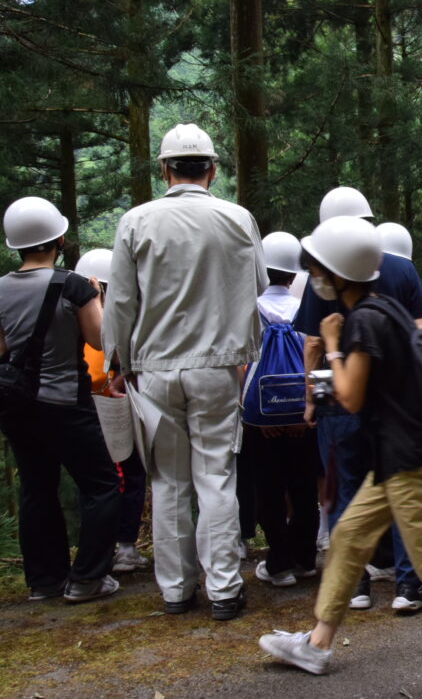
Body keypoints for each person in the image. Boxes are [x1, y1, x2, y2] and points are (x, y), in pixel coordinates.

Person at [258, 216, 422, 692]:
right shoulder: (386, 308)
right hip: (400, 457)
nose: (315, 279)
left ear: (338, 275)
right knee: (350, 538)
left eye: (320, 270)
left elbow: (351, 397)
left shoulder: (363, 323)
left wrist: (333, 345)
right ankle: (317, 644)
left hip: (408, 464)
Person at [103, 124, 266, 619]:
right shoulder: (237, 218)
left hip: (153, 368)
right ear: (212, 170)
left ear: (164, 169)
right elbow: (258, 283)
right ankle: (223, 589)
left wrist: (117, 363)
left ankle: (176, 590)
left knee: (168, 482)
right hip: (218, 366)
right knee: (215, 476)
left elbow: (122, 302)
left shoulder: (136, 221)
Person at [298, 186, 422, 612]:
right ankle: (408, 587)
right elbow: (421, 332)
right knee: (396, 490)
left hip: (341, 401)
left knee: (345, 491)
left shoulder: (324, 275)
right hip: (394, 403)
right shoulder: (400, 269)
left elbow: (315, 344)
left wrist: (312, 400)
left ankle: (355, 584)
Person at [0, 197, 121, 603]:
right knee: (101, 484)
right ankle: (87, 577)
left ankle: (44, 581)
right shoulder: (72, 285)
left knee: (36, 487)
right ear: (61, 239)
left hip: (17, 407)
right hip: (66, 401)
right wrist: (98, 300)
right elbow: (97, 340)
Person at [248, 232, 321, 591]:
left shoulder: (250, 310)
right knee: (305, 485)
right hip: (304, 418)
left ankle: (279, 564)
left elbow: (240, 366)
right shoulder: (306, 310)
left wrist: (254, 415)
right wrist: (306, 409)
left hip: (262, 419)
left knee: (269, 487)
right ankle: (305, 558)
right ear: (294, 275)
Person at [75, 248, 150, 575]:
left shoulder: (74, 315)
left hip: (82, 409)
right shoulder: (120, 319)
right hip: (116, 408)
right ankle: (124, 548)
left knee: (94, 484)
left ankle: (99, 551)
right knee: (131, 475)